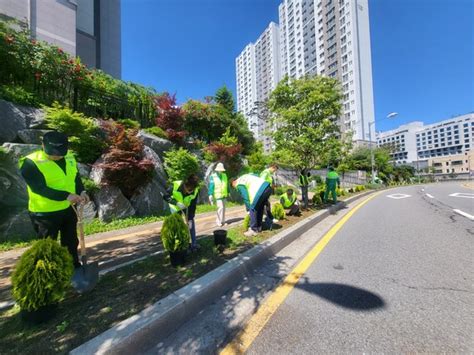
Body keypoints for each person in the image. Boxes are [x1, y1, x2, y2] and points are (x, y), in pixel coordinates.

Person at [19, 131, 89, 268]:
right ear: (42, 145)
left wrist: (82, 191)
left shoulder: (69, 157)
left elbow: (75, 177)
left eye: (60, 152)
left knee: (70, 241)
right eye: (52, 152)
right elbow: (38, 188)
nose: (56, 156)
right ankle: (49, 273)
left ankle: (72, 268)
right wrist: (66, 196)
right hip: (45, 213)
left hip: (69, 209)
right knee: (47, 246)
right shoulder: (30, 163)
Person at [165, 174, 201, 250]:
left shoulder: (195, 190)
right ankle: (181, 245)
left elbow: (193, 205)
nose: (190, 192)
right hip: (175, 208)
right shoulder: (175, 185)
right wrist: (176, 203)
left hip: (186, 207)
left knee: (191, 224)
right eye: (189, 189)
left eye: (192, 190)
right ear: (185, 185)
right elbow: (165, 196)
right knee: (178, 226)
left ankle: (193, 244)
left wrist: (190, 218)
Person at [208, 162, 228, 227]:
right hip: (218, 195)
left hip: (224, 194)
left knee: (224, 208)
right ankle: (218, 221)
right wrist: (210, 194)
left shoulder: (225, 175)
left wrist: (229, 192)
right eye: (219, 170)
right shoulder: (213, 176)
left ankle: (223, 221)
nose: (220, 171)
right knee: (220, 207)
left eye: (221, 170)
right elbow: (211, 186)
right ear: (217, 170)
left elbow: (226, 185)